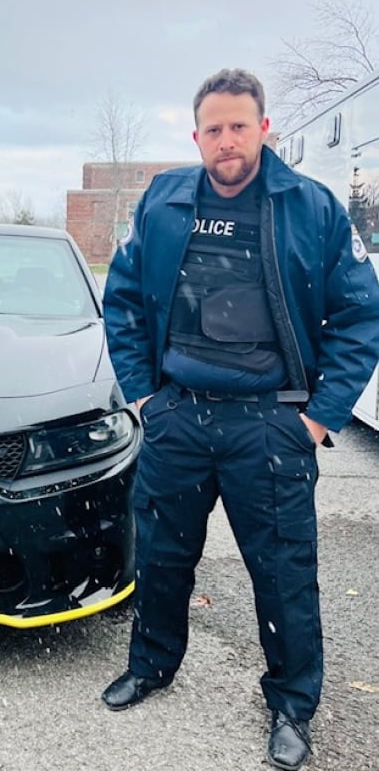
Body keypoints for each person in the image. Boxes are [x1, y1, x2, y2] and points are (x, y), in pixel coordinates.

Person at [101, 67, 379, 771]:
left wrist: (318, 420)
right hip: (178, 420)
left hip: (271, 427)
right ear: (196, 136)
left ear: (264, 128)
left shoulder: (309, 207)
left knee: (284, 573)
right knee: (162, 557)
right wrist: (143, 397)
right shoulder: (164, 202)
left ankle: (291, 704)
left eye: (238, 126)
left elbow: (359, 316)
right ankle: (153, 664)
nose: (226, 141)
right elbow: (125, 299)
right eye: (213, 129)